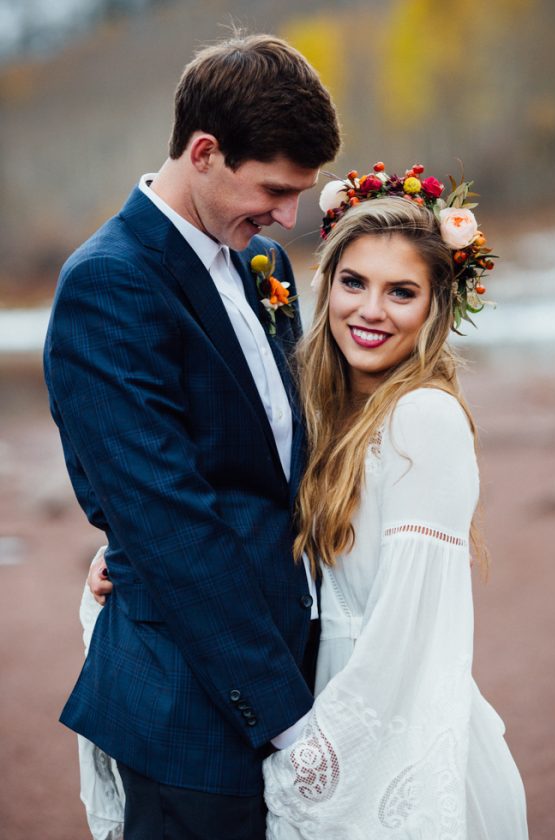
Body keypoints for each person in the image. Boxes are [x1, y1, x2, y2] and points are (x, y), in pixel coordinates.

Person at [44, 33, 340, 840]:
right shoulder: (108, 284)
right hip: (195, 706)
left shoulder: (263, 261)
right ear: (204, 152)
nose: (287, 215)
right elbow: (170, 522)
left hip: (297, 657)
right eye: (275, 189)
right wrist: (287, 718)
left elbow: (283, 458)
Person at [261, 168, 529, 838]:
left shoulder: (424, 420)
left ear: (436, 307)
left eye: (401, 292)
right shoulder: (328, 414)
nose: (370, 310)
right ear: (326, 285)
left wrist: (314, 759)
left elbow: (407, 633)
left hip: (392, 737)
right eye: (354, 282)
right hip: (334, 701)